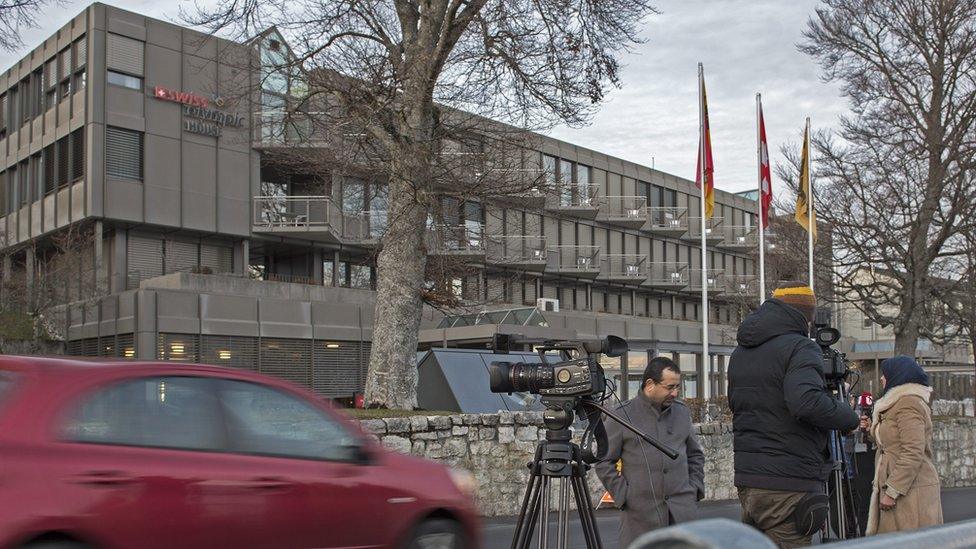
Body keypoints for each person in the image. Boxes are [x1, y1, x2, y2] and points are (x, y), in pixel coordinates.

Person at [727, 285, 859, 548]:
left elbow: (737, 403)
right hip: (789, 480)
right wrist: (848, 417)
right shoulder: (799, 347)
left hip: (749, 478)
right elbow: (806, 402)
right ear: (806, 317)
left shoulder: (741, 352)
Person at [595, 356, 705, 548]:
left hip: (683, 515)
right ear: (650, 384)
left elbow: (695, 455)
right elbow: (604, 462)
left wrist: (694, 489)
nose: (675, 392)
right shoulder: (622, 415)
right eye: (670, 387)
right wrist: (625, 496)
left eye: (678, 387)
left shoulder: (682, 412)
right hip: (640, 519)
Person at [863, 355, 943, 535]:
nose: (882, 378)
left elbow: (913, 451)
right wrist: (871, 429)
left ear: (897, 376)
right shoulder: (897, 403)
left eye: (885, 374)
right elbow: (892, 443)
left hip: (911, 493)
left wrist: (893, 491)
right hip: (903, 490)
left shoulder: (908, 403)